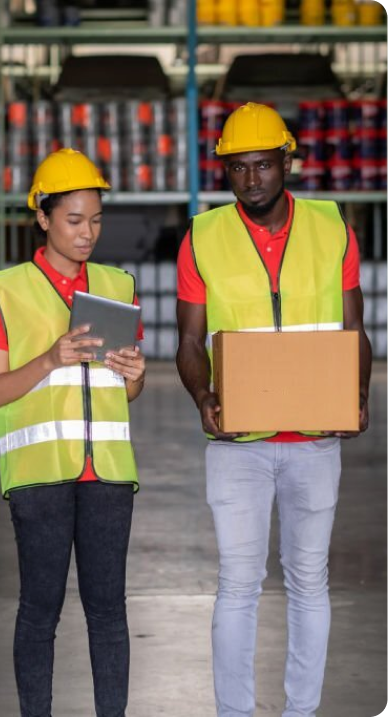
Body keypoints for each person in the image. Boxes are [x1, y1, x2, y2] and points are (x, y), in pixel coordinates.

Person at [176, 102, 372, 717]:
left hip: (316, 439)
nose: (252, 179)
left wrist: (357, 396)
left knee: (309, 583)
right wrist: (204, 395)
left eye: (263, 164)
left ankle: (301, 712)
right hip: (238, 444)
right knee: (238, 584)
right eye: (239, 168)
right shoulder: (202, 237)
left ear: (288, 161)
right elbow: (188, 342)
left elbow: (354, 327)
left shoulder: (333, 225)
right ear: (225, 171)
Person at [0, 148, 145, 717]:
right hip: (40, 477)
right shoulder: (6, 291)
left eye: (96, 219)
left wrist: (135, 375)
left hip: (109, 478)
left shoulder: (118, 286)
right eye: (74, 220)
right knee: (39, 611)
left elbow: (124, 391)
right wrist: (49, 359)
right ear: (43, 217)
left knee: (109, 613)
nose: (87, 233)